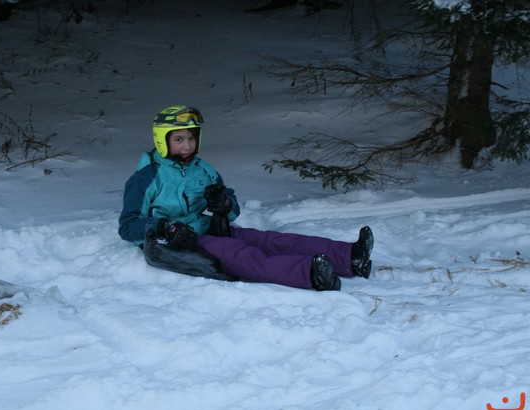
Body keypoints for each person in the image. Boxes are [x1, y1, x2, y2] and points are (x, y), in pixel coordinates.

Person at [118, 105, 373, 291]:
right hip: (173, 242)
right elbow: (128, 226)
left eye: (191, 138)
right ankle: (310, 273)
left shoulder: (203, 169)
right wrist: (164, 226)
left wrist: (224, 204)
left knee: (269, 240)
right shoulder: (146, 178)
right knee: (239, 254)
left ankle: (349, 256)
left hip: (206, 229)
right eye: (179, 139)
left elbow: (232, 208)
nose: (187, 145)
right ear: (162, 141)